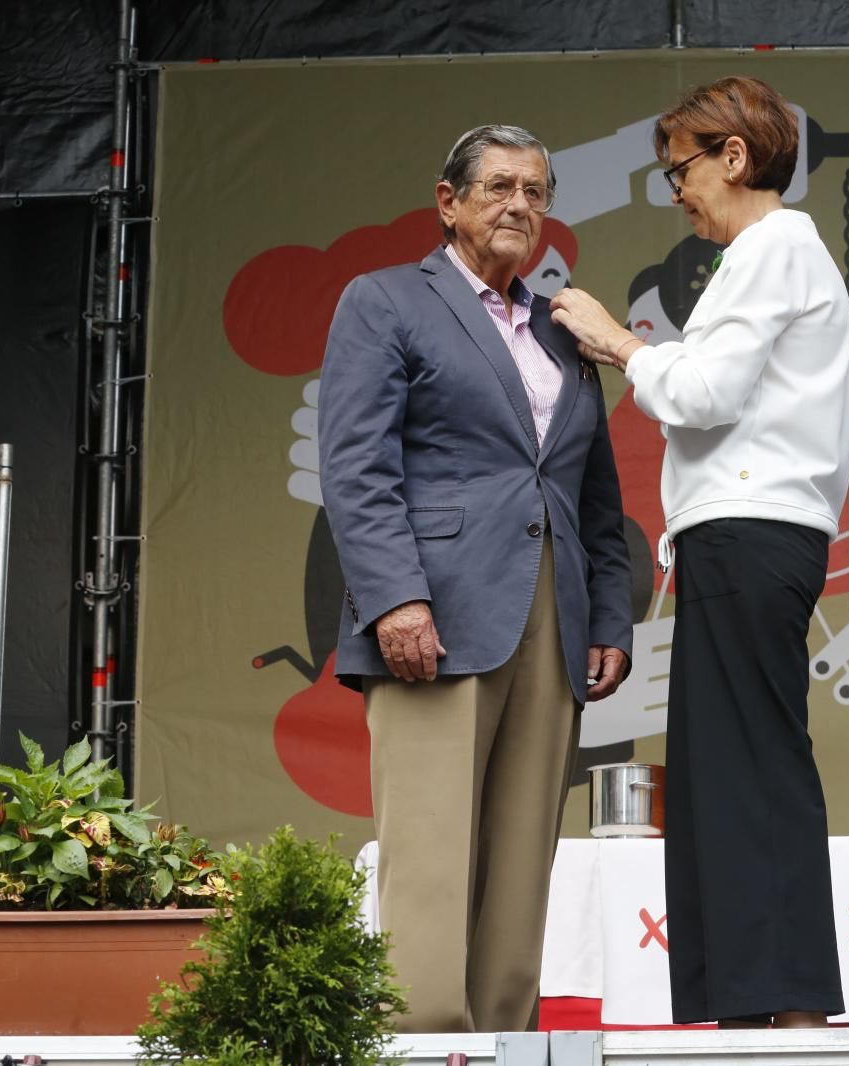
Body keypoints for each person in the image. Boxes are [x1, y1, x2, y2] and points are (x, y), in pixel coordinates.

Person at [548, 76, 849, 1028]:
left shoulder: (774, 246)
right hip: (748, 533)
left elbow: (705, 393)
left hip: (752, 530)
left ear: (733, 155)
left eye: (680, 167)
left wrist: (616, 343)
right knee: (732, 770)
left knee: (750, 768)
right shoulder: (770, 257)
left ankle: (783, 1003)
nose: (675, 190)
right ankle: (754, 1002)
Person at [318, 124, 633, 1033]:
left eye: (536, 192)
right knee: (429, 848)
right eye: (498, 187)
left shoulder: (561, 326)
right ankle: (425, 1043)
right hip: (435, 609)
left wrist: (608, 615)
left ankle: (500, 1038)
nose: (519, 207)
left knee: (523, 848)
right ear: (447, 202)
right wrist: (394, 598)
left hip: (554, 611)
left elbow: (593, 493)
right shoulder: (384, 302)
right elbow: (356, 467)